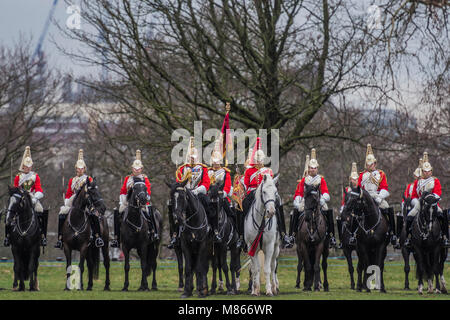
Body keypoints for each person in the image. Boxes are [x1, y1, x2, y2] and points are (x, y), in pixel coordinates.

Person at [168, 137, 219, 248]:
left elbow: (206, 183)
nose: (192, 159)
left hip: (198, 193)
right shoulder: (182, 169)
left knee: (210, 205)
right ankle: (175, 235)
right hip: (184, 194)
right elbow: (178, 184)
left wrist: (196, 191)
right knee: (174, 207)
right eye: (190, 157)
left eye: (194, 157)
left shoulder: (203, 168)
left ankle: (213, 230)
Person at [242, 138, 291, 248]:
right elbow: (246, 184)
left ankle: (283, 234)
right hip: (253, 193)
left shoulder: (268, 171)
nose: (259, 162)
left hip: (265, 194)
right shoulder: (249, 171)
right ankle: (242, 236)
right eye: (257, 160)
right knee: (243, 206)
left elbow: (270, 185)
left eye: (261, 160)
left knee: (278, 204)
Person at [55, 149, 104, 248]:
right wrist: (67, 202)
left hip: (87, 203)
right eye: (78, 168)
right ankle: (60, 238)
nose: (80, 170)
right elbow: (69, 193)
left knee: (93, 215)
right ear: (76, 169)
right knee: (62, 213)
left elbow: (93, 192)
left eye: (82, 168)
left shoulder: (89, 179)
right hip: (73, 203)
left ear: (84, 169)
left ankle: (97, 237)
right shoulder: (72, 180)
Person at [289, 149, 336, 248]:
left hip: (319, 201)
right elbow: (298, 193)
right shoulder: (304, 180)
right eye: (311, 168)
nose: (313, 169)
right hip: (306, 202)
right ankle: (292, 235)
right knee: (295, 212)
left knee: (328, 210)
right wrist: (297, 201)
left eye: (314, 168)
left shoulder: (321, 179)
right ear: (308, 168)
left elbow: (326, 193)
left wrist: (323, 199)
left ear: (317, 169)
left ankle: (331, 236)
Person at [111, 150, 157, 248]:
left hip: (143, 202)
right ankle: (117, 237)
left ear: (141, 169)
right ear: (132, 168)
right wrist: (124, 201)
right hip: (128, 202)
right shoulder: (128, 178)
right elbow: (123, 190)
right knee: (118, 212)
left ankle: (153, 232)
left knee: (149, 212)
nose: (136, 170)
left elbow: (148, 190)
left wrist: (146, 199)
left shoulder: (145, 178)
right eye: (135, 169)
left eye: (138, 169)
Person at [5, 146, 47, 247]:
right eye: (26, 166)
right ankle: (7, 236)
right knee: (9, 212)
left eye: (29, 166)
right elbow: (15, 190)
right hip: (20, 198)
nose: (28, 168)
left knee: (40, 210)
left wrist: (35, 198)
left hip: (32, 197)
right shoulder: (18, 177)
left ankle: (42, 236)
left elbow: (39, 190)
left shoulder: (35, 176)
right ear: (23, 166)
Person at [405, 152, 448, 248]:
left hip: (432, 203)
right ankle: (408, 237)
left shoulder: (435, 180)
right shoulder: (418, 182)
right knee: (410, 216)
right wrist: (417, 202)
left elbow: (438, 193)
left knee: (442, 215)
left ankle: (445, 237)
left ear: (431, 171)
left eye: (428, 171)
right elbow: (414, 196)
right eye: (425, 171)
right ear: (422, 171)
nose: (427, 173)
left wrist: (430, 199)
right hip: (420, 203)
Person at [358, 144, 396, 246]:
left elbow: (385, 188)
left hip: (377, 196)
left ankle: (392, 232)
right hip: (365, 198)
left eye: (372, 164)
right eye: (369, 164)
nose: (371, 166)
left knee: (387, 208)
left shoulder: (381, 174)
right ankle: (354, 234)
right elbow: (359, 189)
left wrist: (380, 197)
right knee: (355, 212)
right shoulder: (361, 175)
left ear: (375, 163)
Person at [336, 162, 359, 248]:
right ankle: (341, 240)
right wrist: (343, 210)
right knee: (339, 219)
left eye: (356, 179)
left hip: (357, 210)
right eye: (353, 179)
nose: (355, 181)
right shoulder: (347, 189)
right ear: (350, 180)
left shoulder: (360, 189)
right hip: (348, 210)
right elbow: (344, 201)